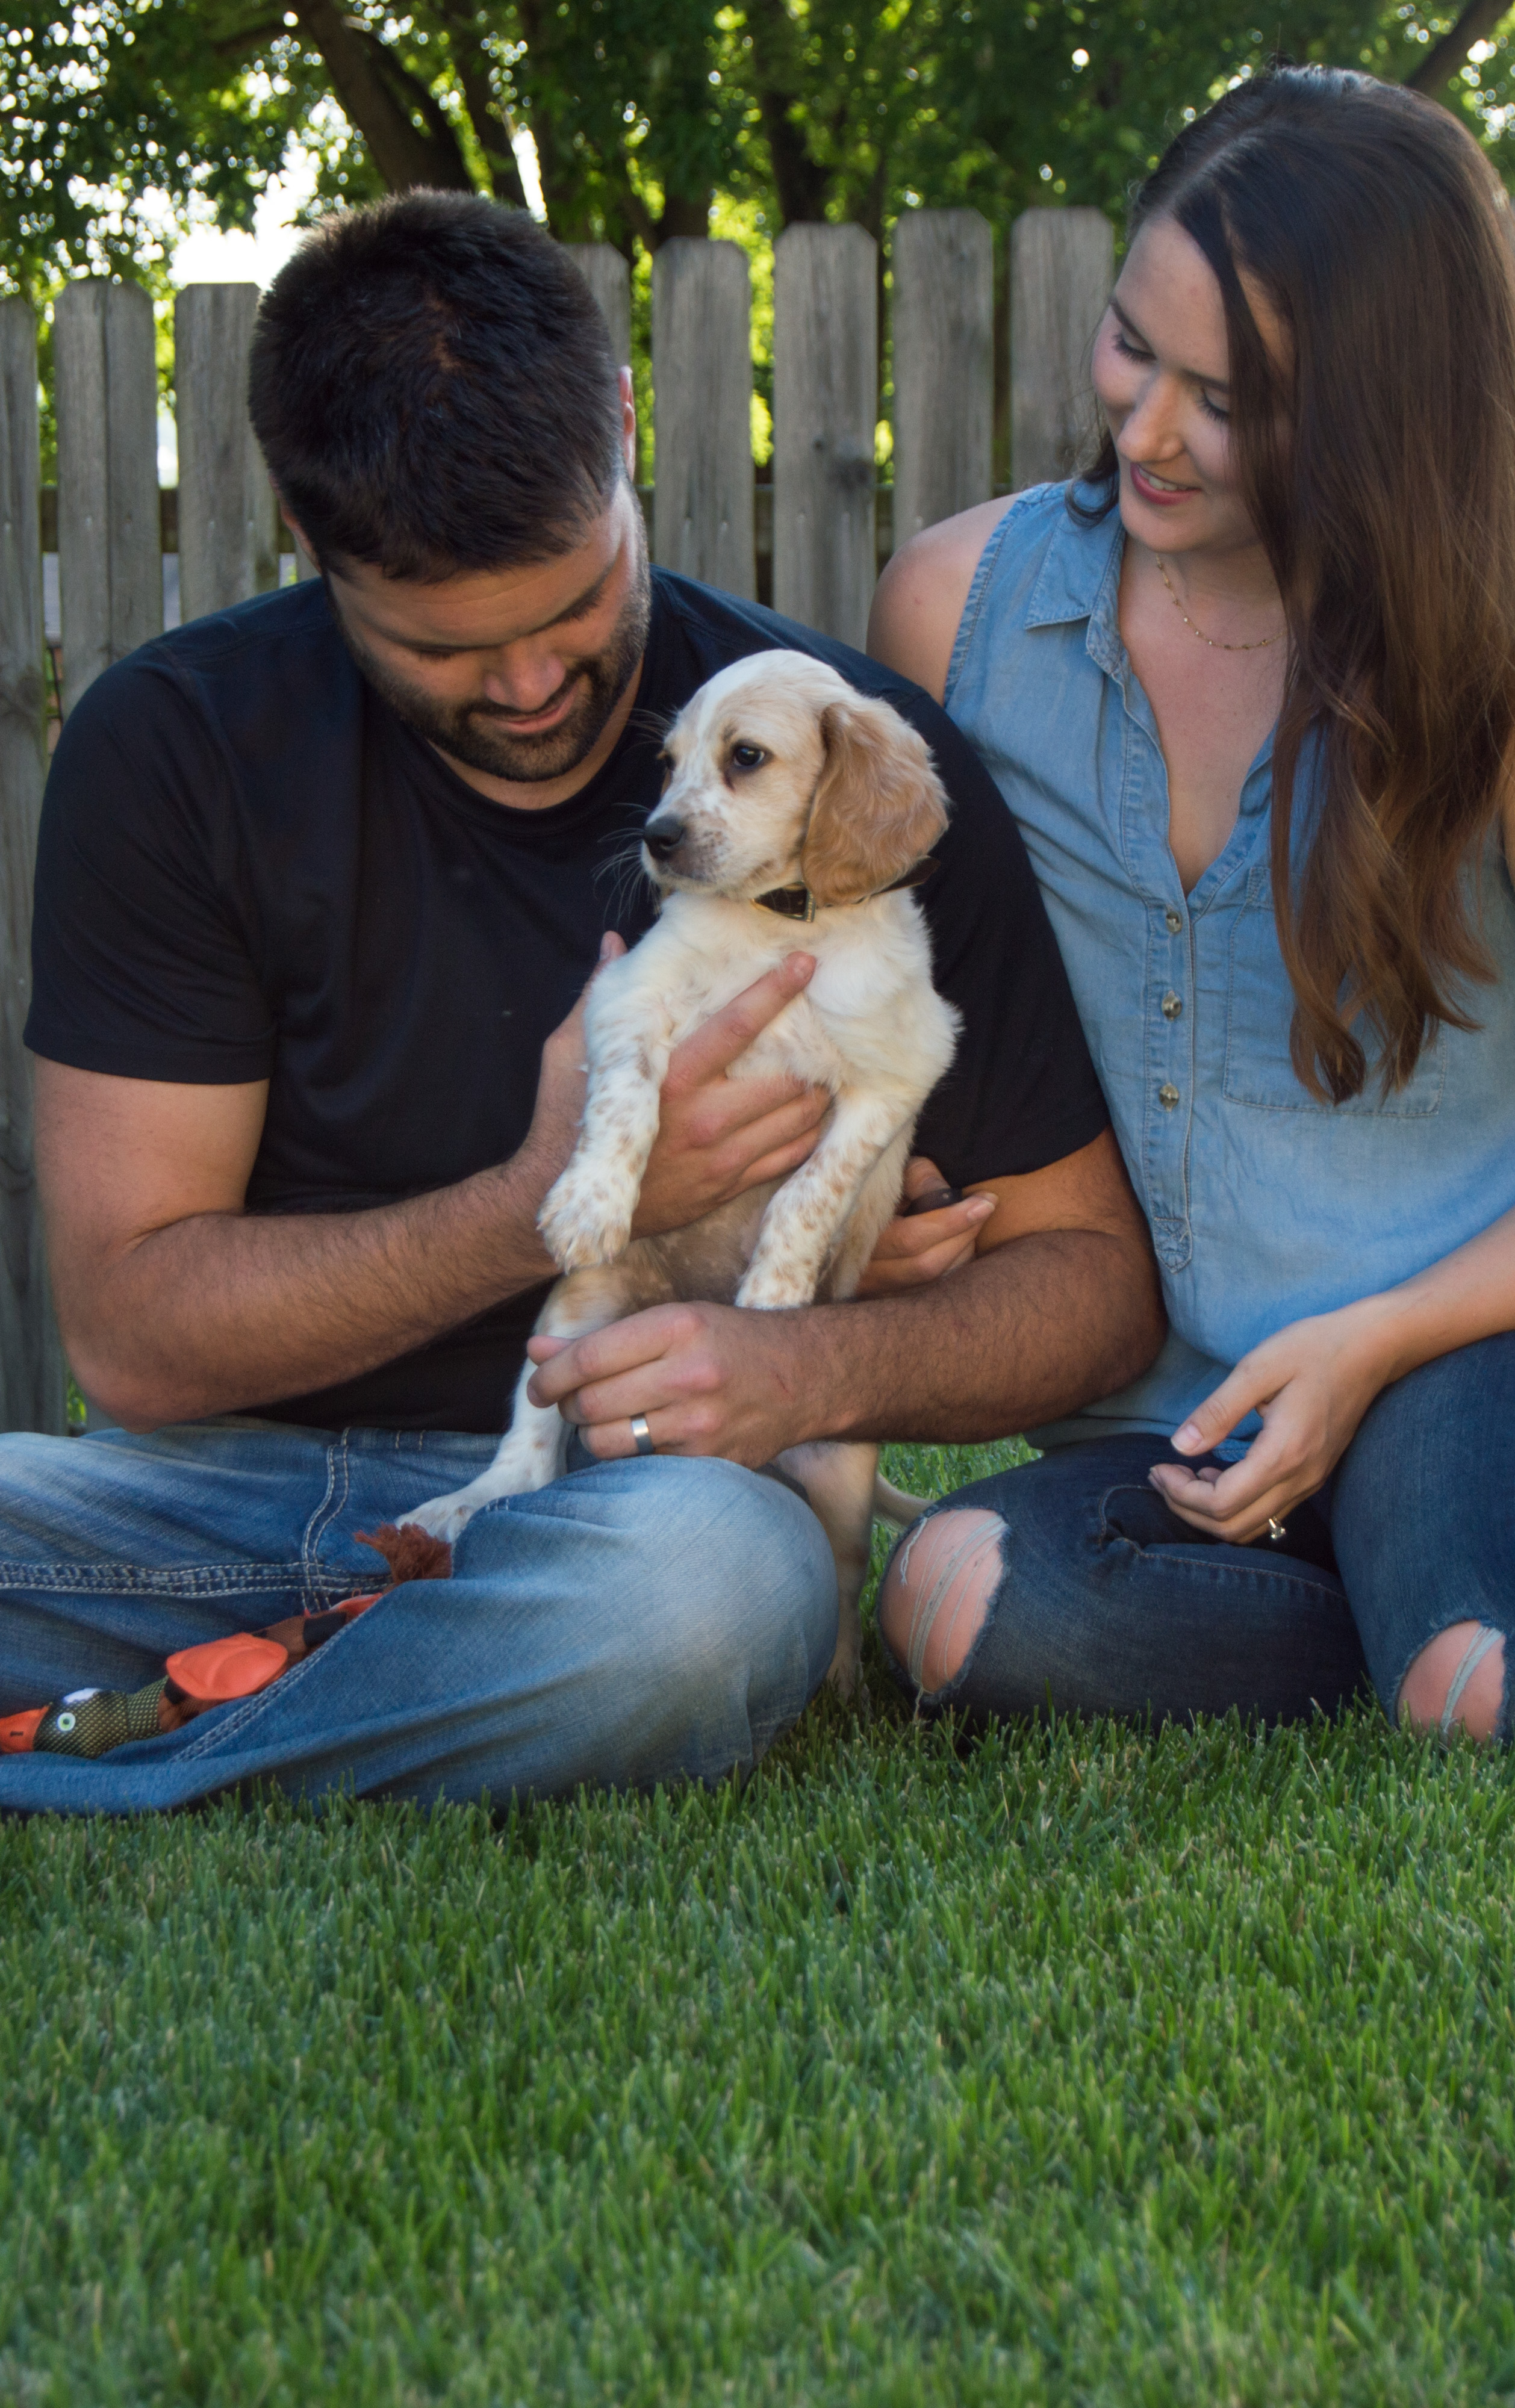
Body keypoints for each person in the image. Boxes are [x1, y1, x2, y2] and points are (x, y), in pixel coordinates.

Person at [0, 193, 1162, 1812]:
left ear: (623, 433)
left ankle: (123, 1756)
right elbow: (128, 1341)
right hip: (224, 1498)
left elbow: (1093, 1285)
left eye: (571, 607)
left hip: (643, 1505)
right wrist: (545, 1198)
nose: (534, 688)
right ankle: (370, 1665)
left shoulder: (840, 760)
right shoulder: (171, 749)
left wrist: (805, 1371)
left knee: (691, 1611)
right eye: (446, 649)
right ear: (301, 524)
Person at [870, 64, 1515, 1743]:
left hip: (1460, 1346)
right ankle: (1382, 1625)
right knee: (948, 1600)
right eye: (1130, 349)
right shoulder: (954, 613)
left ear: (1380, 412)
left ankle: (1431, 1621)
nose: (1146, 430)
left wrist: (1371, 1343)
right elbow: (906, 1005)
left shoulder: (1486, 669)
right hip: (1171, 1425)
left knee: (1463, 1691)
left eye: (1227, 401)